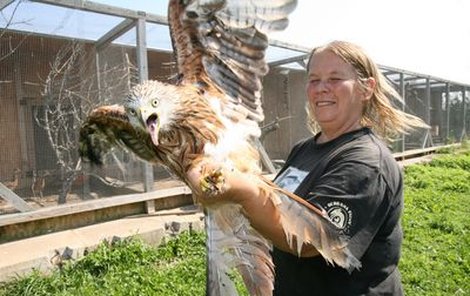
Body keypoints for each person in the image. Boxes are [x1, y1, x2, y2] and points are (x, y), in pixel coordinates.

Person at [188, 40, 428, 295]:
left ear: (366, 88)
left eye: (335, 78)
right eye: (314, 80)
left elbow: (310, 241)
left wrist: (242, 190)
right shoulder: (304, 148)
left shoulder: (366, 162)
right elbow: (277, 205)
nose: (321, 88)